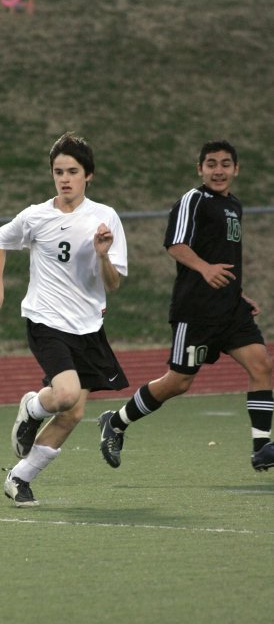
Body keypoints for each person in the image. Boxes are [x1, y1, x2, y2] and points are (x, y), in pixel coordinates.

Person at [98, 140, 274, 472]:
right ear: (200, 169)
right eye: (211, 164)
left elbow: (224, 257)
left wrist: (237, 292)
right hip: (196, 311)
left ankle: (262, 448)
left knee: (261, 366)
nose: (218, 170)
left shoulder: (234, 205)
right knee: (178, 382)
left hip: (230, 309)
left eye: (225, 164)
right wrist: (205, 268)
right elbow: (175, 244)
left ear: (236, 169)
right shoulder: (193, 200)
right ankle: (116, 422)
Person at [0, 132, 129, 506]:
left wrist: (103, 255)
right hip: (45, 320)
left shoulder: (104, 218)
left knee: (73, 412)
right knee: (65, 395)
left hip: (89, 326)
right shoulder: (35, 216)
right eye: (58, 171)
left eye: (73, 171)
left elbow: (114, 284)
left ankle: (19, 477)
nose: (64, 178)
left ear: (88, 175)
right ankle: (32, 407)